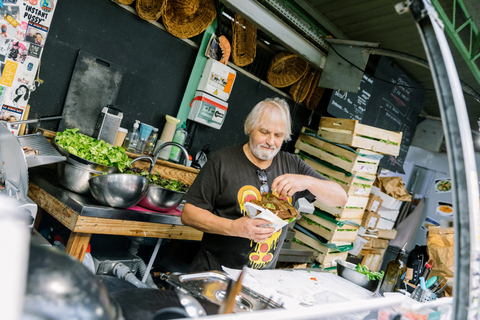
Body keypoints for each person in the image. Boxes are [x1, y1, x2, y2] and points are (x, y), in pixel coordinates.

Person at [181, 97, 348, 272]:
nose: (270, 141)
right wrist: (233, 227)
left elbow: (341, 198)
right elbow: (189, 214)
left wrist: (307, 181)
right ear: (249, 128)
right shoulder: (222, 161)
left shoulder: (292, 165)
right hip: (213, 273)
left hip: (259, 281)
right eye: (264, 132)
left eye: (278, 135)